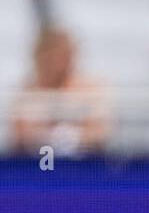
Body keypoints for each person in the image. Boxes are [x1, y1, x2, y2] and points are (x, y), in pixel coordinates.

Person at [10, 28, 110, 156]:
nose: (56, 61)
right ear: (40, 56)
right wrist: (47, 137)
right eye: (51, 55)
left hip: (84, 166)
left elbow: (100, 132)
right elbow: (19, 135)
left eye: (61, 55)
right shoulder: (28, 93)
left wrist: (73, 137)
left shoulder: (88, 89)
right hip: (37, 165)